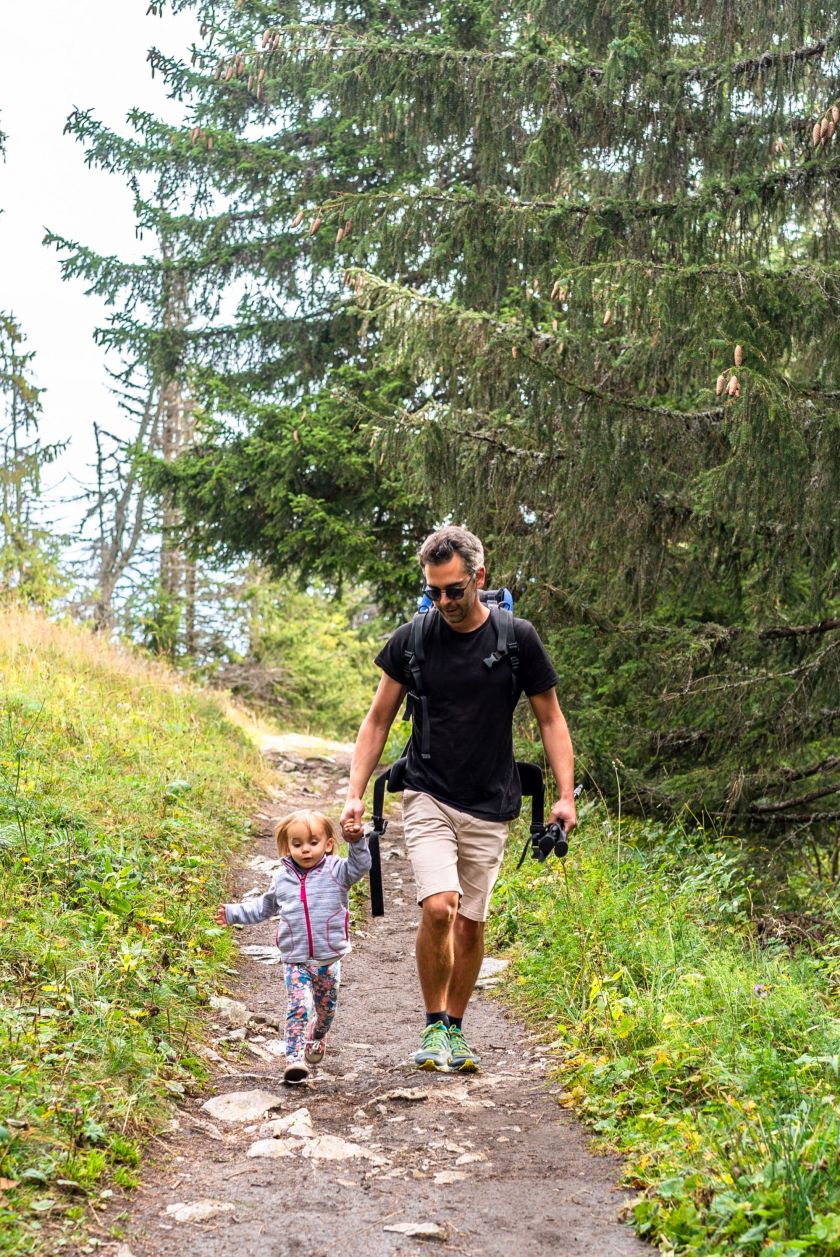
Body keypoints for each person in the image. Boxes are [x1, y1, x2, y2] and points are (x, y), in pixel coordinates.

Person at [340, 525, 576, 1074]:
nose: (443, 601)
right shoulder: (413, 638)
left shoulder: (517, 639)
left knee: (471, 921)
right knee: (440, 905)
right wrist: (354, 794)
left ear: (479, 578)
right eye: (434, 591)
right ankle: (430, 1025)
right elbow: (377, 720)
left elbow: (550, 718)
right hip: (426, 791)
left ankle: (456, 1028)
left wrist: (565, 796)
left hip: (492, 800)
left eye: (454, 590)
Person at [215, 809, 371, 1084]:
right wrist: (232, 913)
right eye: (297, 844)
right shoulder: (282, 879)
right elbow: (263, 908)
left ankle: (318, 1035)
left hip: (328, 959)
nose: (306, 850)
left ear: (328, 844)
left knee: (325, 1013)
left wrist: (357, 841)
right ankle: (294, 1059)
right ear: (288, 847)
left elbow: (359, 867)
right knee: (299, 1005)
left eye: (313, 842)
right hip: (295, 959)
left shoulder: (337, 872)